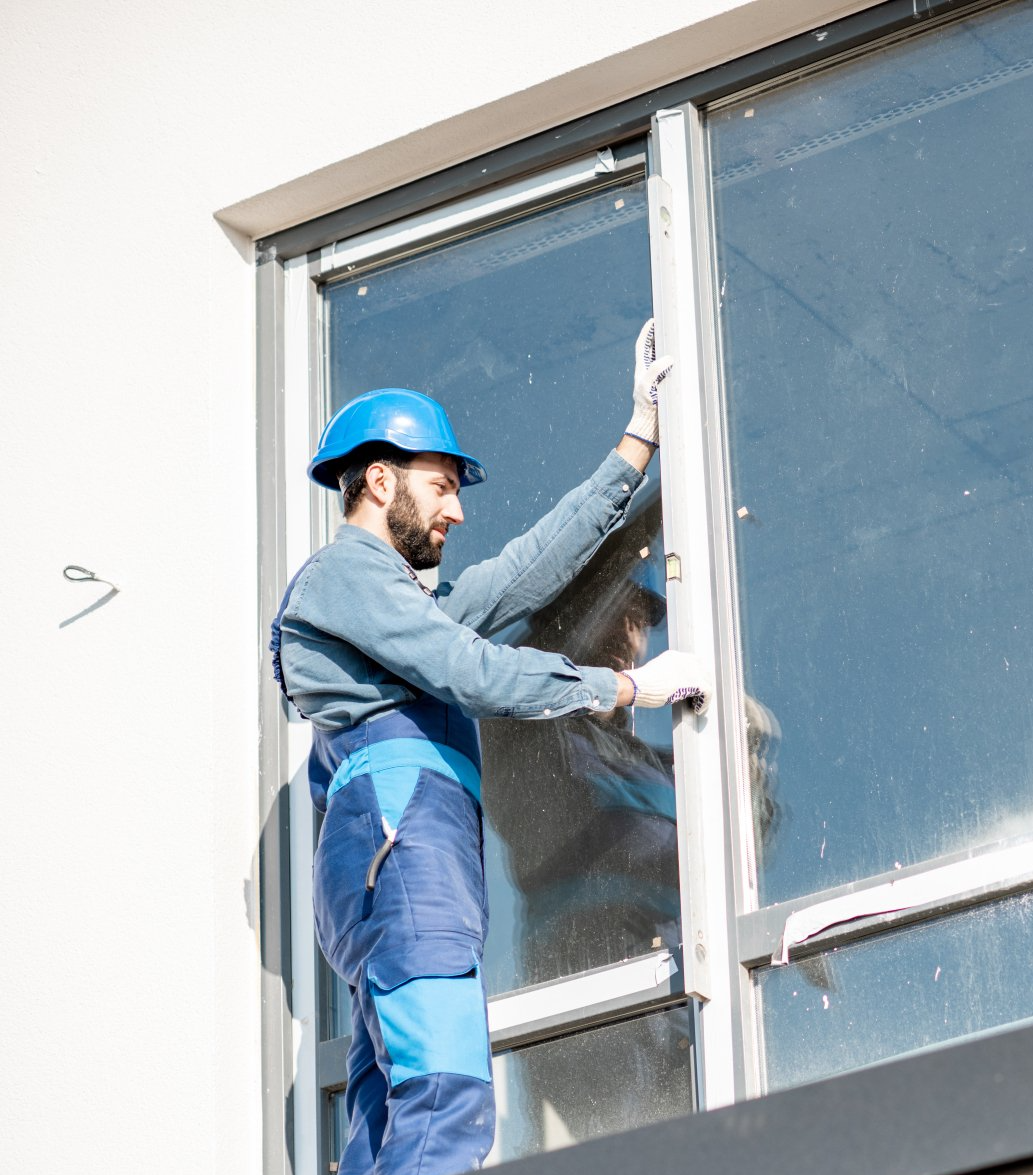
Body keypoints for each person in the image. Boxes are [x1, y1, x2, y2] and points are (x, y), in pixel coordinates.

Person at [269, 320, 714, 1175]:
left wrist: (637, 439)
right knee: (444, 1095)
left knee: (384, 1119)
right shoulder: (344, 578)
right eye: (440, 486)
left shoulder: (397, 611)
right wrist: (623, 687)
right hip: (402, 853)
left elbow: (524, 571)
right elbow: (473, 672)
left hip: (397, 857)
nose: (456, 509)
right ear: (377, 479)